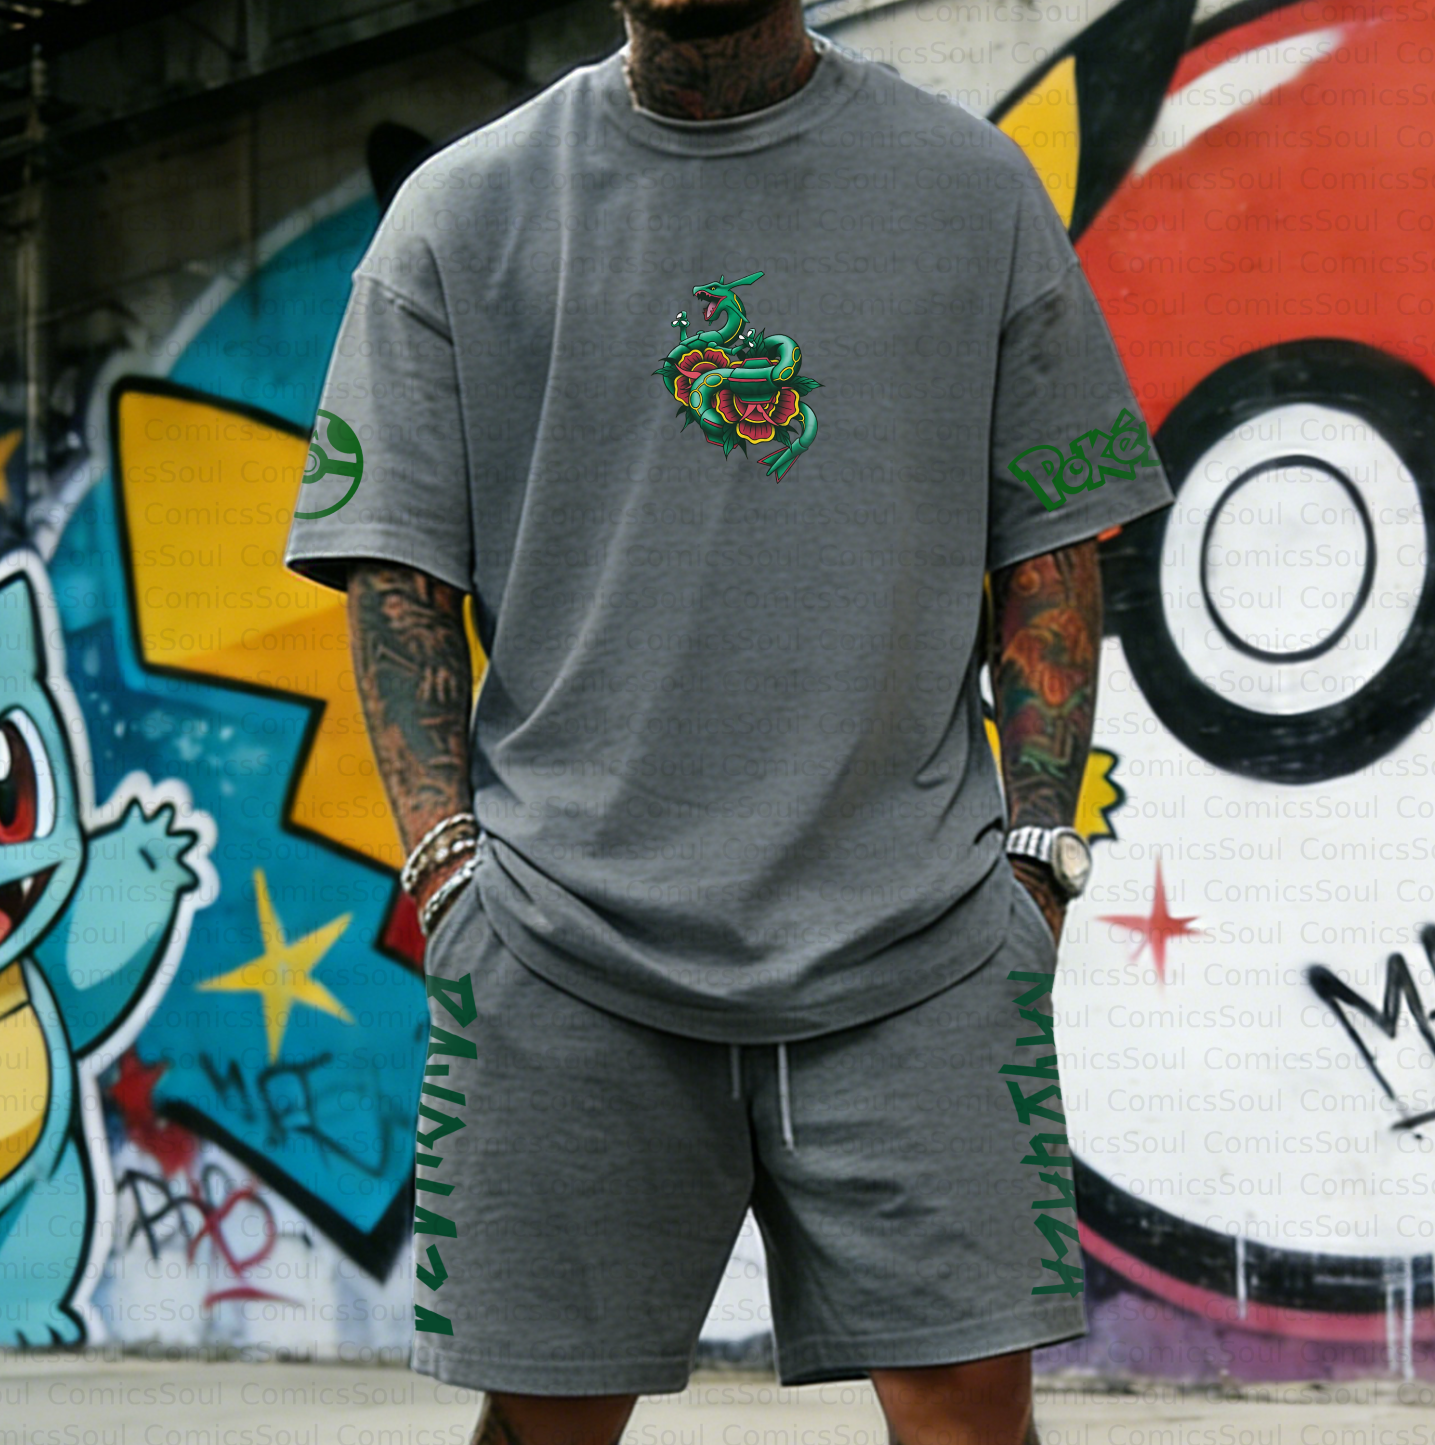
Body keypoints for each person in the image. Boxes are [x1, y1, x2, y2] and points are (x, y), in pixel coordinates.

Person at [283, 0, 1175, 1440]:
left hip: (921, 942)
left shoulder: (970, 189)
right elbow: (395, 573)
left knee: (969, 1419)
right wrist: (449, 876)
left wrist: (1035, 864)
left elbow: (1054, 549)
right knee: (546, 1425)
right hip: (565, 947)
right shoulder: (461, 213)